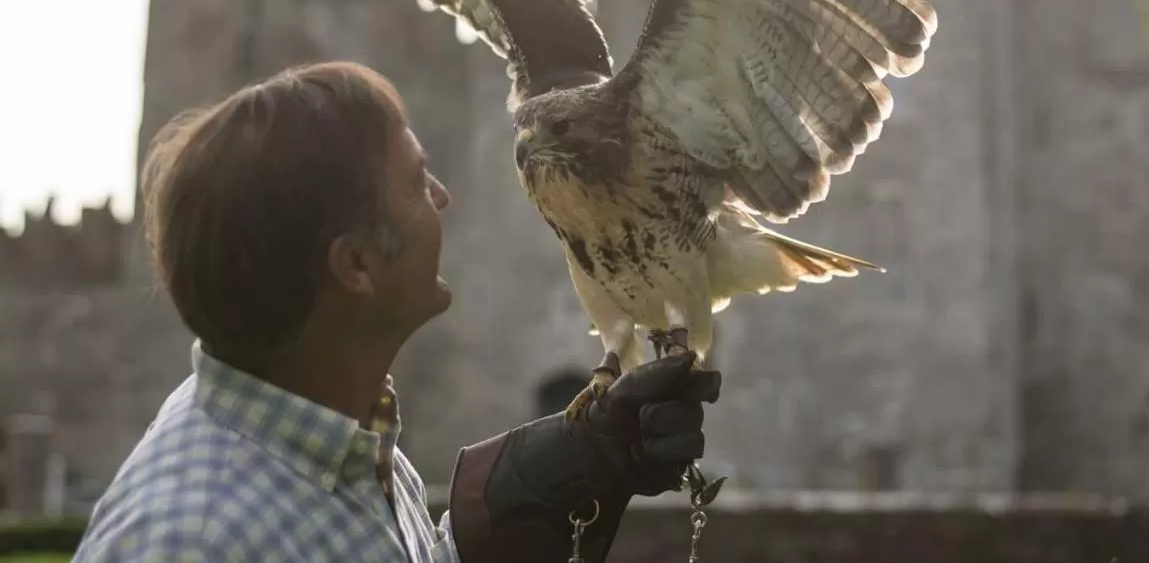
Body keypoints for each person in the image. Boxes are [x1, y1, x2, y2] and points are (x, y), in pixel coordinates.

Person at [72, 61, 721, 563]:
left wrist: (554, 479)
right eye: (416, 181)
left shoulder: (336, 436)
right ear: (355, 265)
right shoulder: (187, 542)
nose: (442, 197)